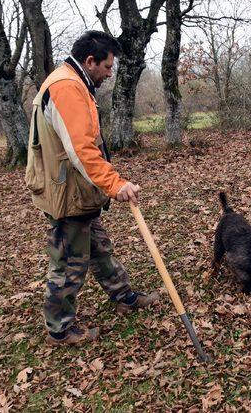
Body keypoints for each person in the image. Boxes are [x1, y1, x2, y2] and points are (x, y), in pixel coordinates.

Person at [24, 31, 159, 346]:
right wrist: (115, 184)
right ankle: (60, 329)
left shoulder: (73, 81)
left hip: (77, 190)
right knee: (70, 262)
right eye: (108, 67)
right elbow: (81, 149)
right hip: (66, 193)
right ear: (90, 61)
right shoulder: (67, 87)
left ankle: (123, 296)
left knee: (99, 249)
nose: (110, 74)